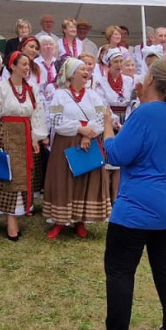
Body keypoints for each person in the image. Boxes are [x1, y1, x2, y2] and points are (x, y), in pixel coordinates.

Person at [90, 59, 166, 330]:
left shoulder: (146, 113)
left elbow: (116, 154)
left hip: (140, 205)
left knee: (120, 270)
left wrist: (108, 126)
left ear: (150, 79)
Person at [44, 58, 111, 238]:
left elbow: (100, 118)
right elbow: (56, 121)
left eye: (87, 69)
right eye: (82, 69)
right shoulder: (60, 95)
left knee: (84, 179)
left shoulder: (93, 95)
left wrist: (88, 135)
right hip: (66, 142)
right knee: (64, 180)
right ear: (72, 74)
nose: (86, 71)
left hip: (88, 141)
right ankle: (60, 221)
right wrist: (80, 129)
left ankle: (80, 221)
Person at [0, 52, 48, 241]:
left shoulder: (31, 89)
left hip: (25, 134)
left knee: (23, 176)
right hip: (8, 134)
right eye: (23, 64)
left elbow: (37, 113)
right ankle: (11, 221)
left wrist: (36, 138)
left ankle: (16, 216)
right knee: (10, 176)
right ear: (12, 66)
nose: (27, 68)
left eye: (28, 65)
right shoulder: (1, 87)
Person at [96, 48, 135, 203]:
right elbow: (102, 104)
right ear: (108, 64)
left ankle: (120, 195)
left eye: (121, 61)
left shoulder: (129, 80)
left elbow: (133, 102)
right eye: (115, 62)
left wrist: (129, 121)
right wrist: (115, 122)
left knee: (122, 160)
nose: (119, 65)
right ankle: (106, 196)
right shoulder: (101, 82)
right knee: (108, 159)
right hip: (109, 119)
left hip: (127, 118)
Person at [35, 35, 59, 102]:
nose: (48, 46)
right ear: (39, 48)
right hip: (38, 98)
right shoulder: (35, 64)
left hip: (56, 98)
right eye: (45, 44)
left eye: (51, 44)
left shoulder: (58, 63)